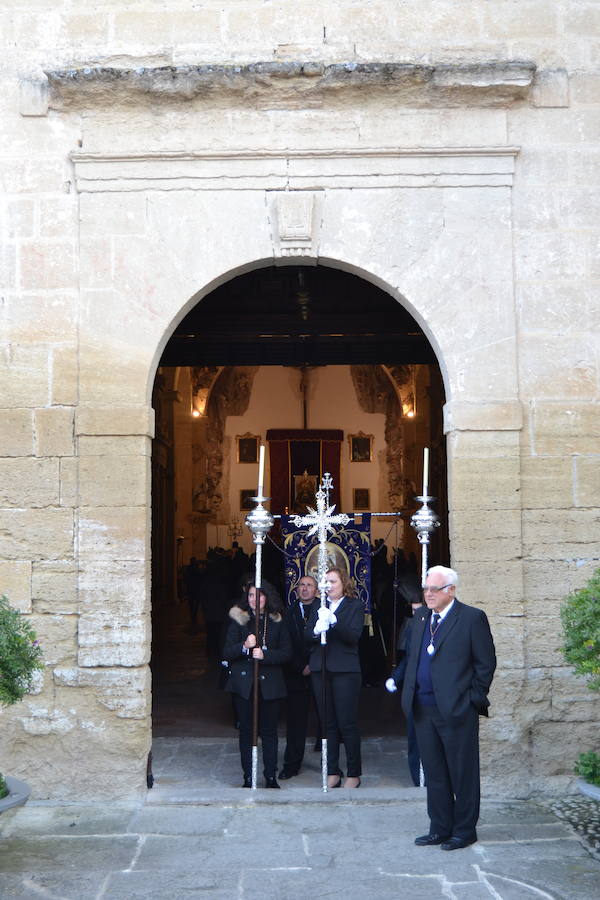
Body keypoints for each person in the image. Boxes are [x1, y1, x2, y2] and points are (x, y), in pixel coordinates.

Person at [401, 565, 496, 850]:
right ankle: (439, 827)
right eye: (426, 589)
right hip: (423, 709)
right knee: (434, 772)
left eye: (434, 589)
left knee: (462, 772)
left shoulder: (471, 618)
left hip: (456, 710)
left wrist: (472, 700)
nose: (428, 594)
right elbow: (414, 658)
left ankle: (465, 830)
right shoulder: (420, 617)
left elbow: (485, 663)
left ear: (450, 590)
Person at [222, 581, 292, 788]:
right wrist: (244, 647)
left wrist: (265, 655)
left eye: (259, 595)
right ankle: (248, 776)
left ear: (267, 598)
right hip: (245, 685)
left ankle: (270, 775)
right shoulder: (238, 621)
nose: (255, 599)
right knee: (246, 732)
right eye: (251, 595)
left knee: (269, 732)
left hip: (270, 685)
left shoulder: (277, 621)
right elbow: (226, 651)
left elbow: (287, 653)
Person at [305, 566, 364, 789]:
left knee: (346, 723)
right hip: (321, 669)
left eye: (333, 582)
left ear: (344, 584)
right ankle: (332, 770)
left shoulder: (354, 606)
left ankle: (354, 773)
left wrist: (334, 622)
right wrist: (315, 631)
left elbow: (353, 636)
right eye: (326, 582)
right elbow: (306, 635)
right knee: (327, 723)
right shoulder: (319, 607)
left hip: (345, 670)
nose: (329, 586)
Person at [279, 575, 321, 779]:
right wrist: (300, 666)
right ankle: (291, 764)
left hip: (320, 673)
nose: (305, 589)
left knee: (327, 720)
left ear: (316, 590)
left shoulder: (325, 611)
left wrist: (313, 665)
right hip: (296, 675)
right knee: (295, 723)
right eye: (302, 585)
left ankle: (330, 767)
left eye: (309, 585)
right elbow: (285, 643)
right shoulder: (288, 613)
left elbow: (329, 642)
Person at [385, 595, 426, 786]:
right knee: (414, 739)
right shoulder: (412, 630)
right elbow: (408, 659)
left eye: (419, 611)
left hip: (432, 693)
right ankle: (418, 780)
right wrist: (395, 677)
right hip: (413, 693)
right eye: (413, 611)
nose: (415, 615)